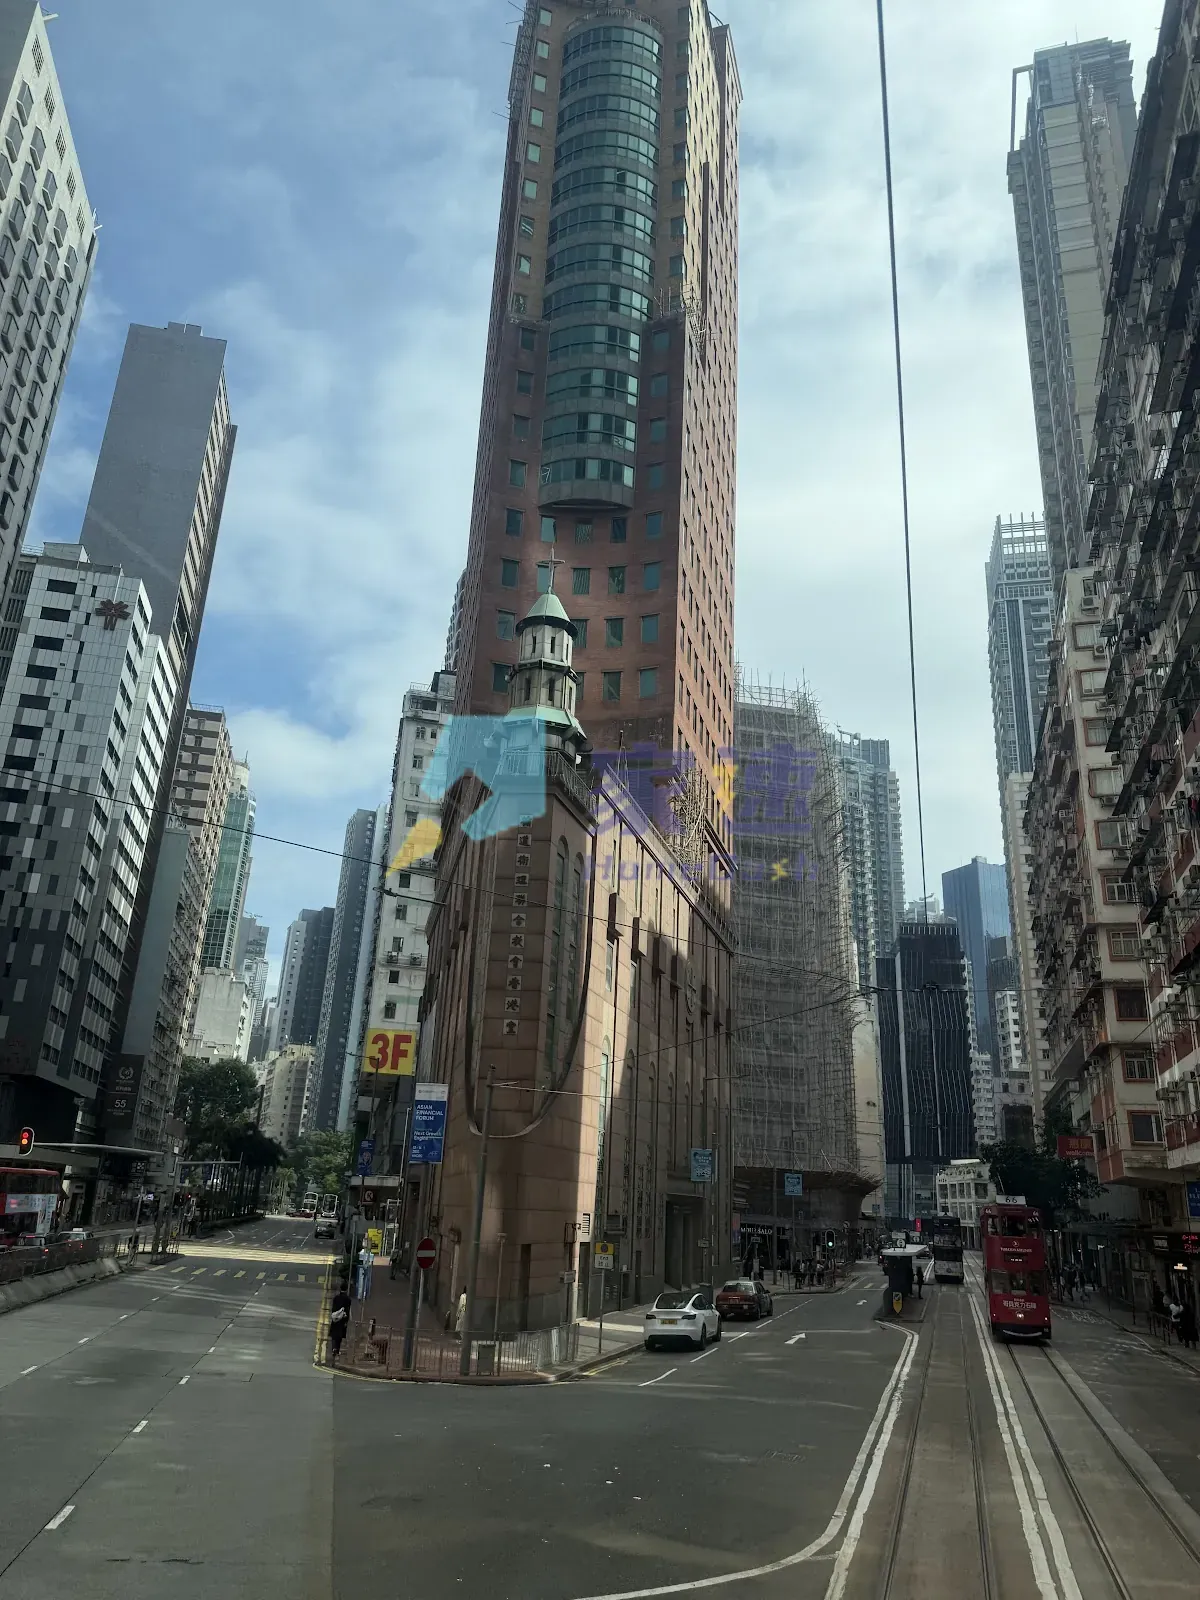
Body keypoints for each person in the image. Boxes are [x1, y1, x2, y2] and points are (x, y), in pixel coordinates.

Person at [328, 1281, 352, 1365]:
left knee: (334, 1335)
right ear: (347, 1289)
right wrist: (346, 1321)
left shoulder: (336, 1298)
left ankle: (333, 1349)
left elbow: (333, 1309)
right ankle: (337, 1350)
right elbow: (347, 1311)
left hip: (335, 1319)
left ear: (340, 1288)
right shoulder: (348, 1299)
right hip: (342, 1320)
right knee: (340, 1336)